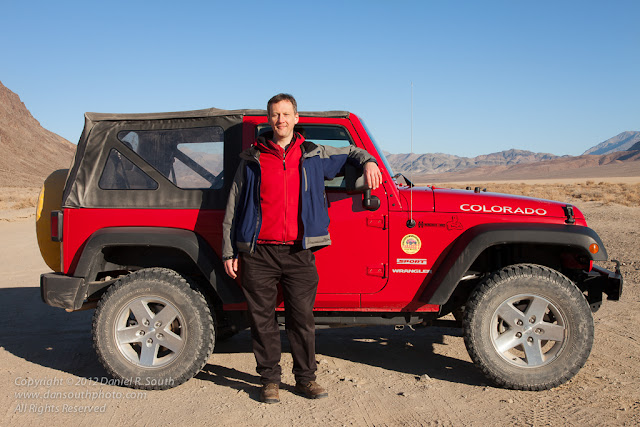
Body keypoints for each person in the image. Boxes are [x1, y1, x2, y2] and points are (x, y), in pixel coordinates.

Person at [222, 93, 382, 403]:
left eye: (285, 114)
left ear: (296, 118)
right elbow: (233, 204)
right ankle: (269, 381)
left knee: (301, 319)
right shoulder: (252, 158)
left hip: (299, 251)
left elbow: (352, 150)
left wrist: (370, 162)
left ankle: (306, 379)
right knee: (262, 320)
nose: (280, 120)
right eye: (275, 115)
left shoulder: (313, 154)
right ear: (269, 119)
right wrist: (229, 250)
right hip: (258, 253)